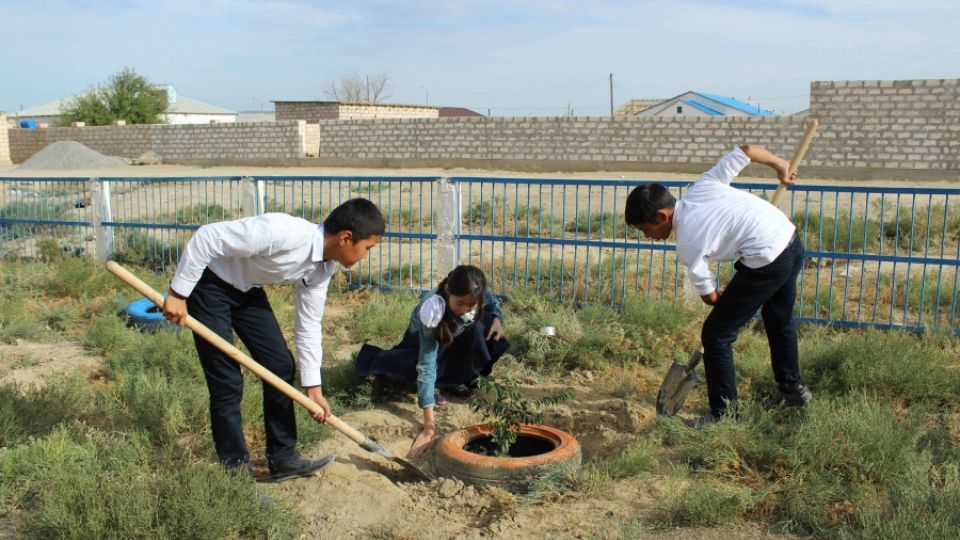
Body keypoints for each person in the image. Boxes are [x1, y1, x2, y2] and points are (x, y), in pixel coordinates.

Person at [162, 198, 385, 481]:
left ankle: (283, 459)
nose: (366, 255)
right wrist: (179, 293)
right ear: (346, 238)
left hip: (246, 291)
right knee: (227, 382)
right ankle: (236, 475)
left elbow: (308, 324)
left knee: (279, 365)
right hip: (209, 284)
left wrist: (313, 387)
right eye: (368, 248)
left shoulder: (323, 269)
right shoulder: (285, 232)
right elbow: (207, 236)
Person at [624, 145, 812, 427]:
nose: (648, 236)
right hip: (790, 241)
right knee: (778, 320)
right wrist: (780, 165)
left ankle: (723, 414)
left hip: (767, 259)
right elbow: (747, 150)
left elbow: (711, 297)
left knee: (716, 334)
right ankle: (792, 389)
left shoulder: (687, 240)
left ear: (662, 216)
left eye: (646, 230)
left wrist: (723, 299)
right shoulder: (703, 186)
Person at [355, 265, 509, 457]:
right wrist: (429, 426)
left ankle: (456, 380)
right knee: (420, 366)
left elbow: (492, 301)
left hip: (455, 336)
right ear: (447, 291)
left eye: (471, 306)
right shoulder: (432, 310)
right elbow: (426, 364)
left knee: (483, 331)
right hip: (419, 343)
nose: (465, 310)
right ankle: (435, 384)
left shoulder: (474, 293)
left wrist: (496, 319)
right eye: (460, 303)